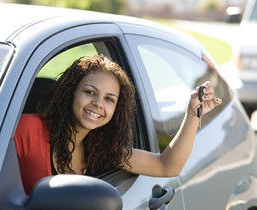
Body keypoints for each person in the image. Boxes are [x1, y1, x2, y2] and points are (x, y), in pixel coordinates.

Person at [14, 54, 222, 195]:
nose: (98, 104)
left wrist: (193, 114)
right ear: (71, 93)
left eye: (109, 99)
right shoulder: (28, 129)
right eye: (90, 92)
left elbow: (167, 166)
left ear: (116, 110)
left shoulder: (102, 149)